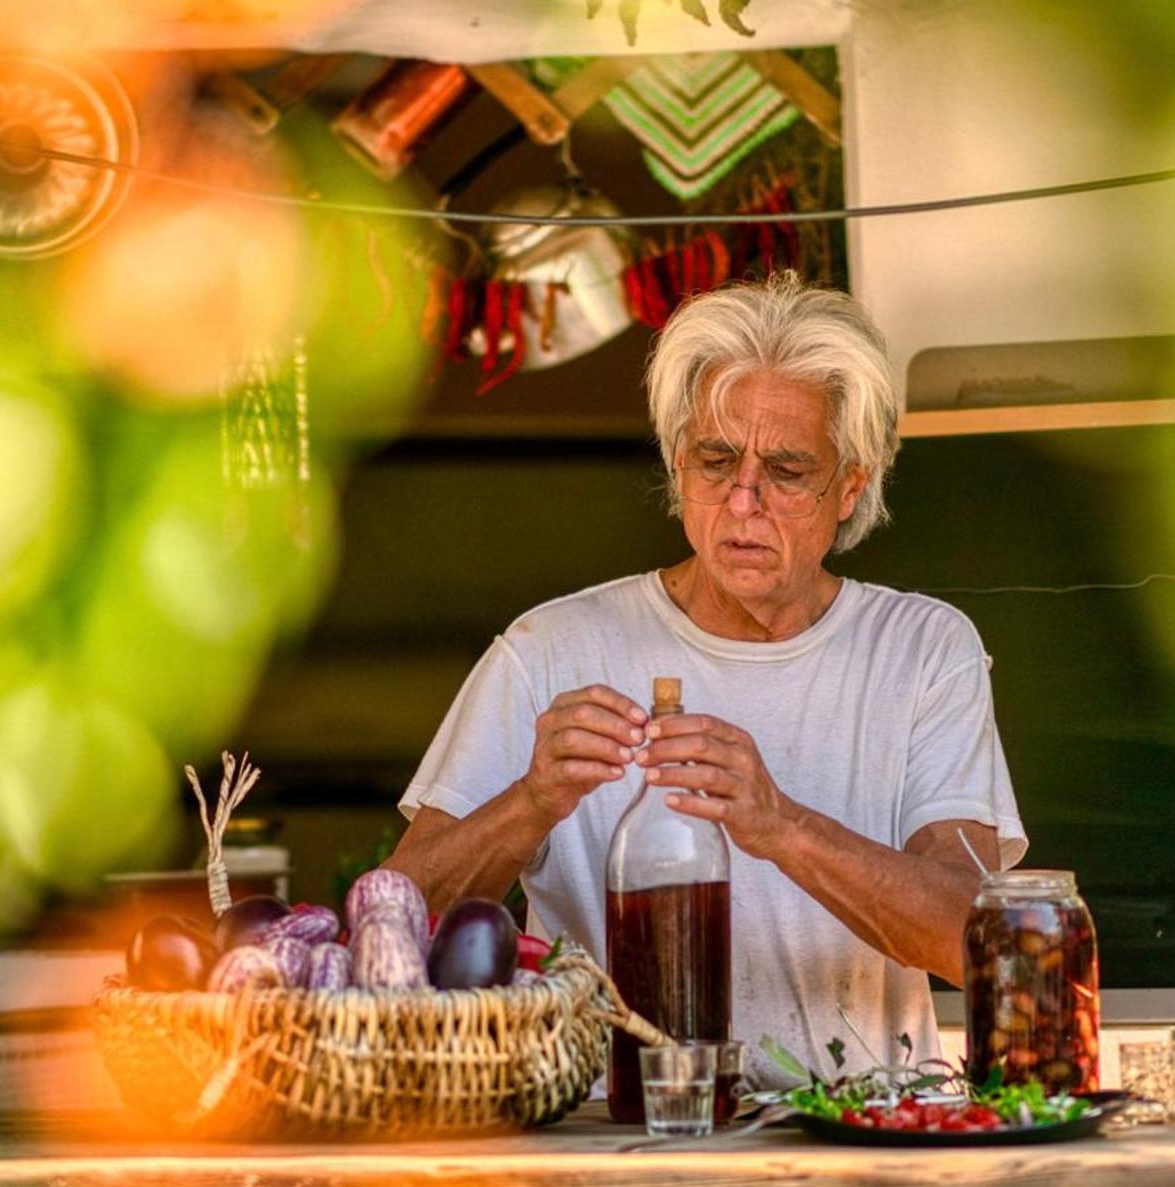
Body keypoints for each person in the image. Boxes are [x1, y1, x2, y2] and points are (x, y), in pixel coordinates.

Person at [386, 272, 1025, 1081]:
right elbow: (387, 930)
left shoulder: (923, 648)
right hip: (620, 1150)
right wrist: (531, 803)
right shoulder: (548, 650)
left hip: (869, 1149)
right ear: (676, 464)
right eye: (716, 459)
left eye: (788, 470)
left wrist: (781, 825)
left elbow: (985, 944)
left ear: (851, 485)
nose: (744, 499)